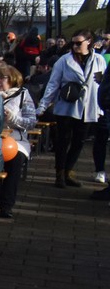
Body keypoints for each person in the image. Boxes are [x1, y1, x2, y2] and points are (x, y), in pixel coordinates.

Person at [37, 29, 106, 188]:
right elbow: (53, 84)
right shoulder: (64, 60)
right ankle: (59, 173)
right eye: (73, 43)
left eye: (78, 43)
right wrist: (43, 104)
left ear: (89, 42)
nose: (75, 46)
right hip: (67, 106)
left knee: (79, 141)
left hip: (88, 106)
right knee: (63, 140)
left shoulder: (99, 60)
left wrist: (101, 106)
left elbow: (101, 85)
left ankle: (69, 170)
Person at [0, 65, 37, 218]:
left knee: (14, 161)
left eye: (2, 78)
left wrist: (12, 118)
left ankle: (6, 205)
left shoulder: (23, 95)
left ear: (13, 80)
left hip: (16, 140)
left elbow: (31, 122)